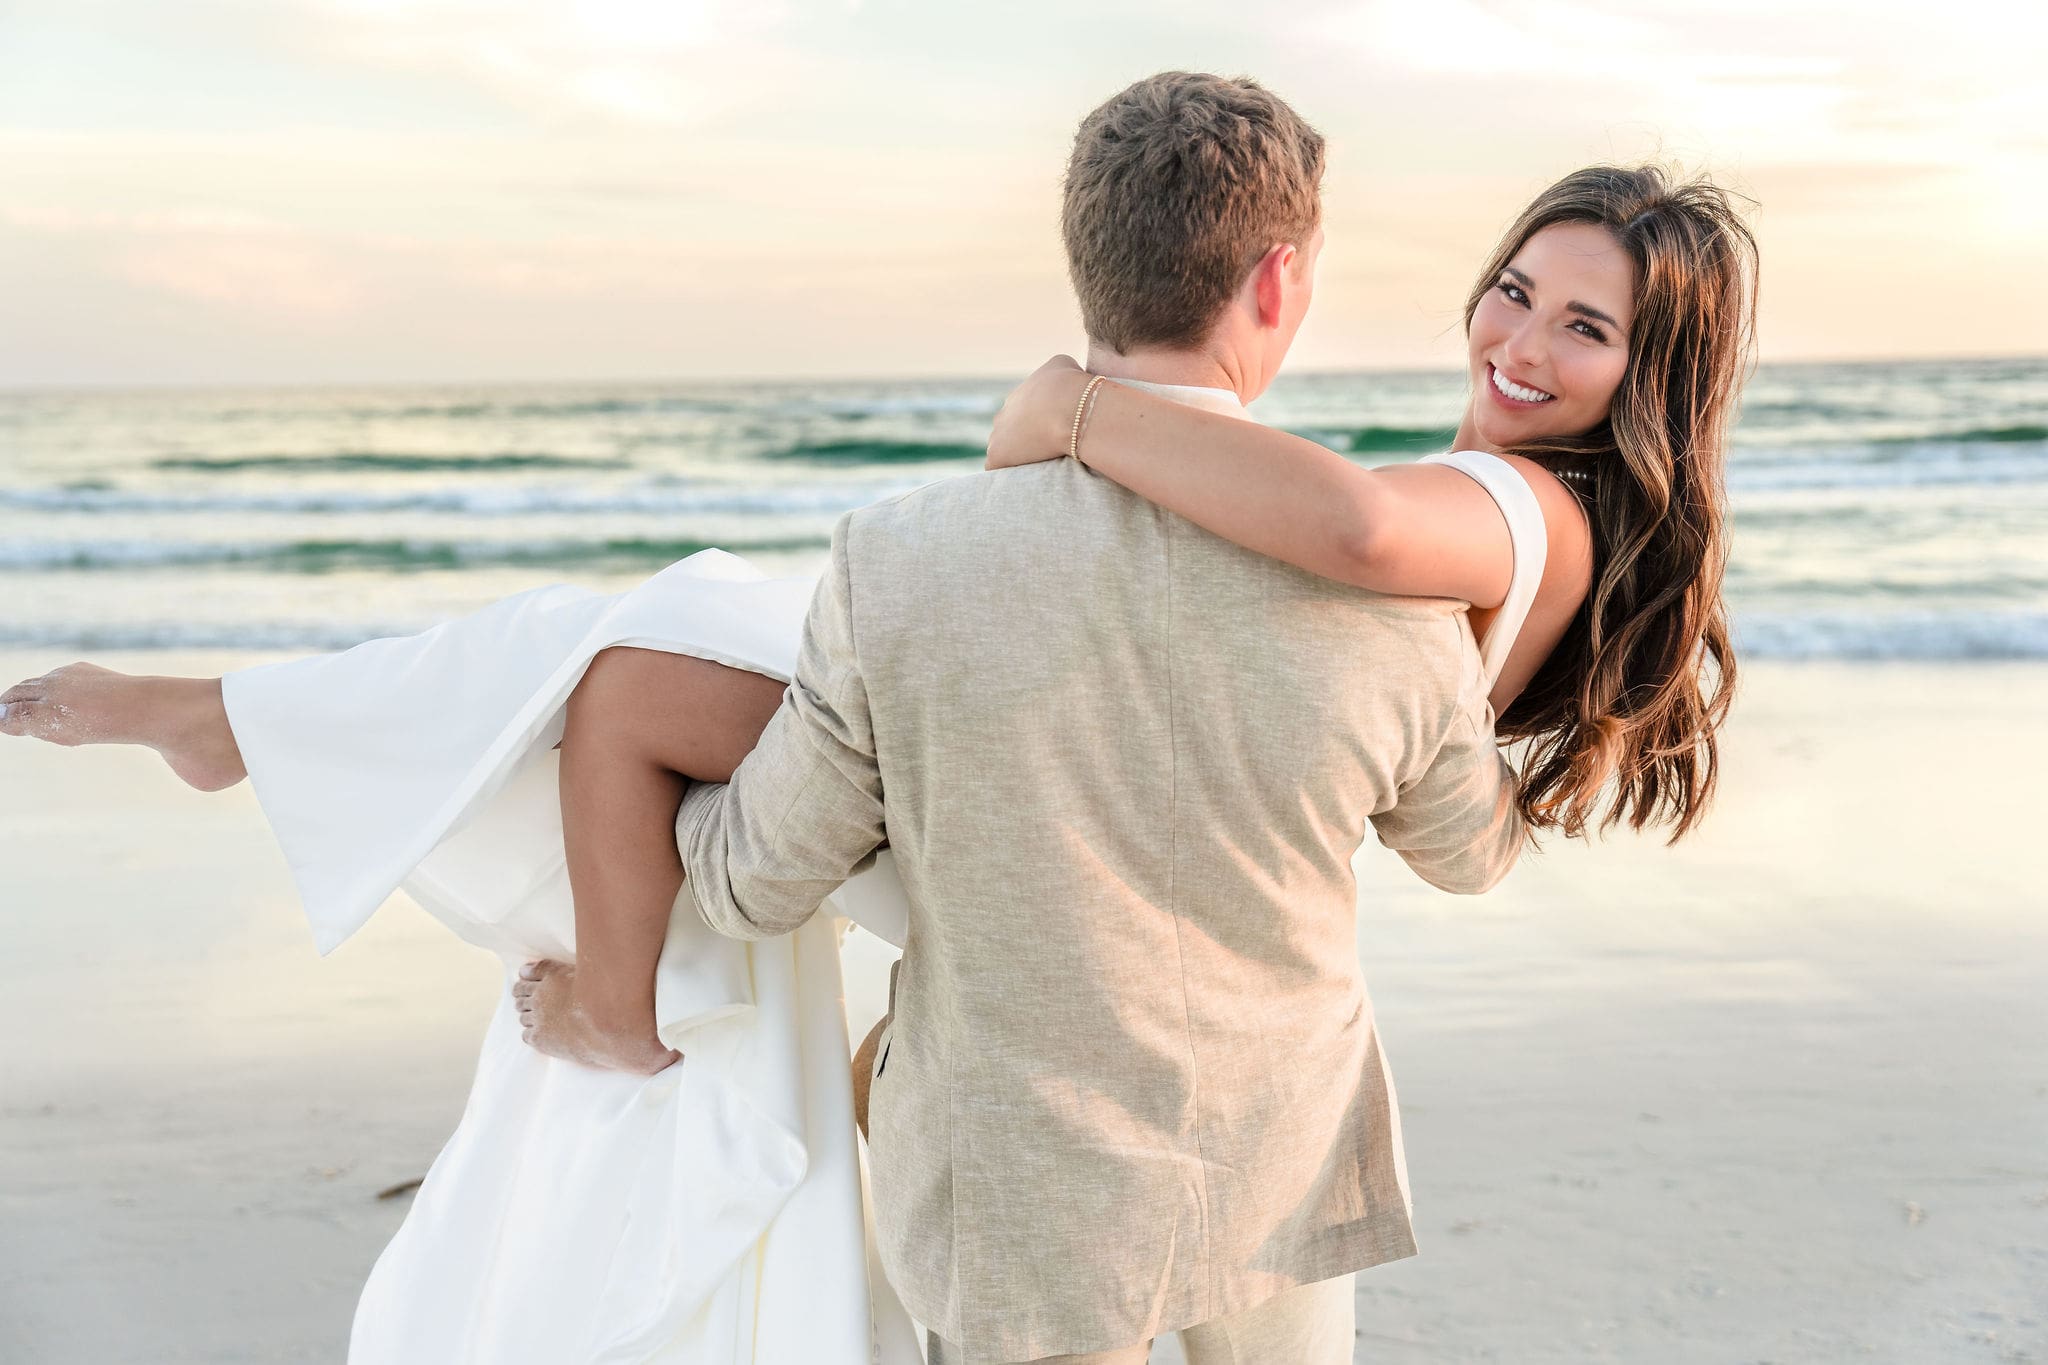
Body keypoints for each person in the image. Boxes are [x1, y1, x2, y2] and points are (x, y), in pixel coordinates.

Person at [0, 70, 1758, 1365]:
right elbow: (1451, 838)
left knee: (621, 661)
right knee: (662, 652)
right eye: (1519, 289)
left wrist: (638, 841)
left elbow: (762, 882)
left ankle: (295, 729)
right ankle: (285, 723)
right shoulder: (1399, 621)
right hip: (1265, 1123)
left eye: (1579, 323)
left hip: (1016, 1143)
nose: (1520, 334)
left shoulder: (982, 553)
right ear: (1281, 285)